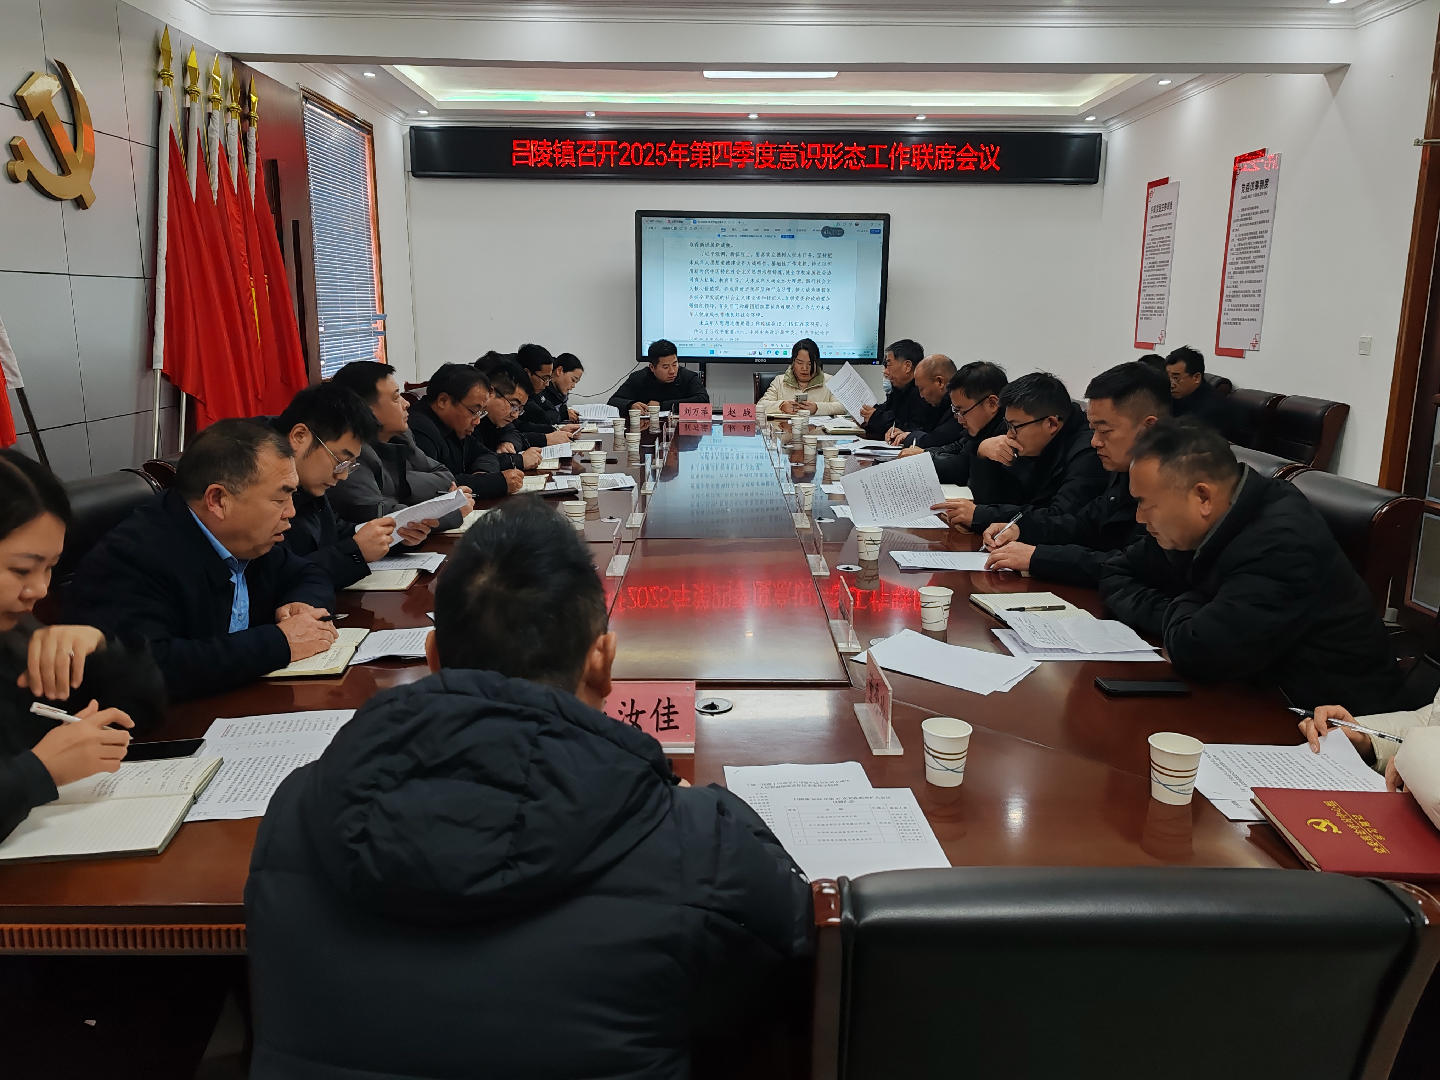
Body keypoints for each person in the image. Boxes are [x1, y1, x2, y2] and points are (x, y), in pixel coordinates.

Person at [245, 499, 812, 1080]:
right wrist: (706, 811)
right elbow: (803, 952)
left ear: (433, 657)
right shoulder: (689, 839)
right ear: (602, 662)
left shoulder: (295, 809)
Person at [1101, 419, 1405, 713]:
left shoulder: (1283, 543)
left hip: (1326, 720)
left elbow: (1197, 652)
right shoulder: (1198, 522)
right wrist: (1180, 613)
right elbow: (1116, 571)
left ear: (1202, 496)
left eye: (1146, 503)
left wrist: (1188, 610)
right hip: (1250, 693)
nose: (1140, 517)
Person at [65, 420, 339, 700]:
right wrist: (280, 643)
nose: (291, 512)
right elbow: (153, 666)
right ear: (218, 500)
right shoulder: (134, 557)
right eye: (279, 500)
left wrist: (300, 606)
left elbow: (308, 573)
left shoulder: (249, 539)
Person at [0, 449, 154, 840]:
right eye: (21, 569)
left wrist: (101, 647)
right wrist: (41, 770)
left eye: (50, 567)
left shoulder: (17, 631)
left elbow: (143, 712)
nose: (39, 589)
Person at [982, 361, 1168, 585]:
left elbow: (1135, 566)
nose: (1095, 441)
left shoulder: (1178, 481)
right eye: (1093, 429)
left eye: (1105, 431)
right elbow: (1082, 524)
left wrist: (1039, 557)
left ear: (1149, 427)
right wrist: (1021, 530)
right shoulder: (1123, 470)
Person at [269, 383, 432, 590]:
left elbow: (334, 532)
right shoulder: (257, 486)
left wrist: (394, 536)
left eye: (350, 465)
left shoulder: (309, 483)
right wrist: (355, 552)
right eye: (340, 460)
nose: (343, 475)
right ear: (299, 436)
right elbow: (276, 577)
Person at [933, 371, 1106, 533]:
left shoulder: (1087, 453)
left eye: (1014, 427)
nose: (1009, 435)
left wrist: (980, 516)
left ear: (1051, 424)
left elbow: (1059, 518)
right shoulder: (1032, 440)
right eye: (1007, 425)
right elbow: (999, 500)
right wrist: (983, 455)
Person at [326, 360, 472, 531]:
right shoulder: (352, 453)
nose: (406, 403)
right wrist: (449, 510)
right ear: (365, 409)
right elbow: (381, 517)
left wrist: (401, 484)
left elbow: (446, 477)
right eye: (396, 397)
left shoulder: (401, 437)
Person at [409, 364, 525, 500]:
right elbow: (434, 486)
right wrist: (493, 483)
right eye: (474, 411)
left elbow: (485, 454)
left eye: (481, 412)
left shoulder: (454, 424)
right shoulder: (418, 430)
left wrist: (482, 473)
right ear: (443, 401)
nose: (477, 421)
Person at [902, 361, 1010, 485]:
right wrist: (925, 454)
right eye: (955, 410)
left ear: (992, 404)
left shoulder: (1009, 433)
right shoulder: (981, 426)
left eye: (961, 411)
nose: (959, 419)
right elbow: (959, 447)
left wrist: (923, 460)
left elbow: (962, 469)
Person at [861, 338, 945, 440]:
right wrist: (868, 415)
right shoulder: (899, 389)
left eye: (888, 364)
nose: (885, 372)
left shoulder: (923, 393)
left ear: (907, 366)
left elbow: (916, 430)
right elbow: (888, 412)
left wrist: (877, 418)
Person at [476, 358, 544, 471]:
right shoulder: (472, 421)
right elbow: (477, 460)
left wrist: (508, 442)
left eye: (519, 409)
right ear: (491, 393)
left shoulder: (495, 419)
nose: (515, 415)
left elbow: (513, 432)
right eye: (513, 405)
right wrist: (518, 461)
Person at [608, 338, 710, 413]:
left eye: (675, 364)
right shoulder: (639, 378)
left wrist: (662, 406)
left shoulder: (688, 377)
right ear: (652, 367)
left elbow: (703, 401)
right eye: (665, 367)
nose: (672, 371)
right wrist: (630, 405)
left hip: (681, 431)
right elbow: (613, 401)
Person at [757, 338, 847, 417]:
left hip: (818, 430)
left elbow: (842, 407)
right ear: (793, 362)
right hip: (785, 429)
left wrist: (817, 408)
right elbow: (760, 406)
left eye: (810, 364)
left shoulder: (830, 381)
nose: (804, 368)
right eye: (800, 363)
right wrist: (781, 406)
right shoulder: (780, 381)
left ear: (817, 363)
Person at [893, 354, 963, 448]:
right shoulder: (937, 404)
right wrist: (906, 434)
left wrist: (910, 437)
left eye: (922, 389)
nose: (921, 395)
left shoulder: (960, 405)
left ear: (939, 382)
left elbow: (936, 440)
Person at [515, 343, 579, 444]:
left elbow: (550, 413)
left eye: (549, 378)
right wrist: (549, 434)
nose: (547, 384)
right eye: (544, 378)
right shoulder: (519, 396)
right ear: (527, 373)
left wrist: (556, 430)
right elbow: (541, 419)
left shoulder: (535, 391)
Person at [1165, 346, 1231, 434]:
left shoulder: (1212, 408)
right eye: (1168, 377)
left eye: (1176, 378)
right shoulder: (1174, 396)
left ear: (1196, 377)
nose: (1171, 385)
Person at [548, 352, 584, 422]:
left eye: (576, 382)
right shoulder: (540, 388)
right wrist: (563, 415)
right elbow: (541, 417)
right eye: (573, 380)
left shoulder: (561, 392)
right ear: (559, 371)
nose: (573, 386)